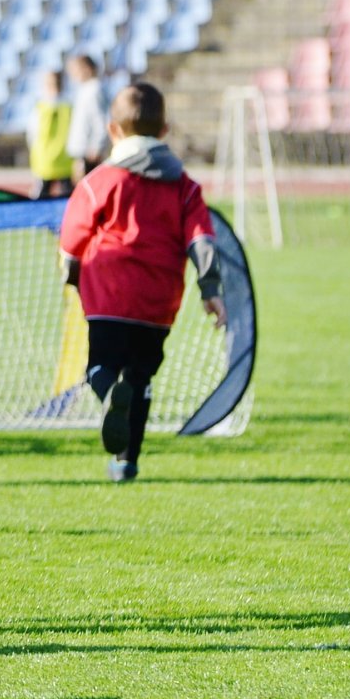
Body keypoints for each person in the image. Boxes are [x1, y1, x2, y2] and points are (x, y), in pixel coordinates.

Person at [58, 83, 225, 484]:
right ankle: (126, 461)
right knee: (140, 378)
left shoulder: (100, 181)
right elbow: (201, 239)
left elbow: (73, 236)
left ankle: (108, 392)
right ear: (164, 130)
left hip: (108, 293)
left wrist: (72, 274)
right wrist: (210, 290)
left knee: (101, 367)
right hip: (159, 300)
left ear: (112, 130)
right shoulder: (185, 187)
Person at [28, 70, 76, 199]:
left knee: (44, 197)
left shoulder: (41, 107)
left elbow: (32, 135)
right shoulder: (68, 106)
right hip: (55, 160)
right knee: (63, 197)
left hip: (55, 160)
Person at [64, 54, 109, 176]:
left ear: (87, 69)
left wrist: (97, 146)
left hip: (88, 151)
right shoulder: (84, 89)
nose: (72, 75)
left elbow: (100, 120)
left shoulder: (95, 90)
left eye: (75, 70)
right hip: (81, 149)